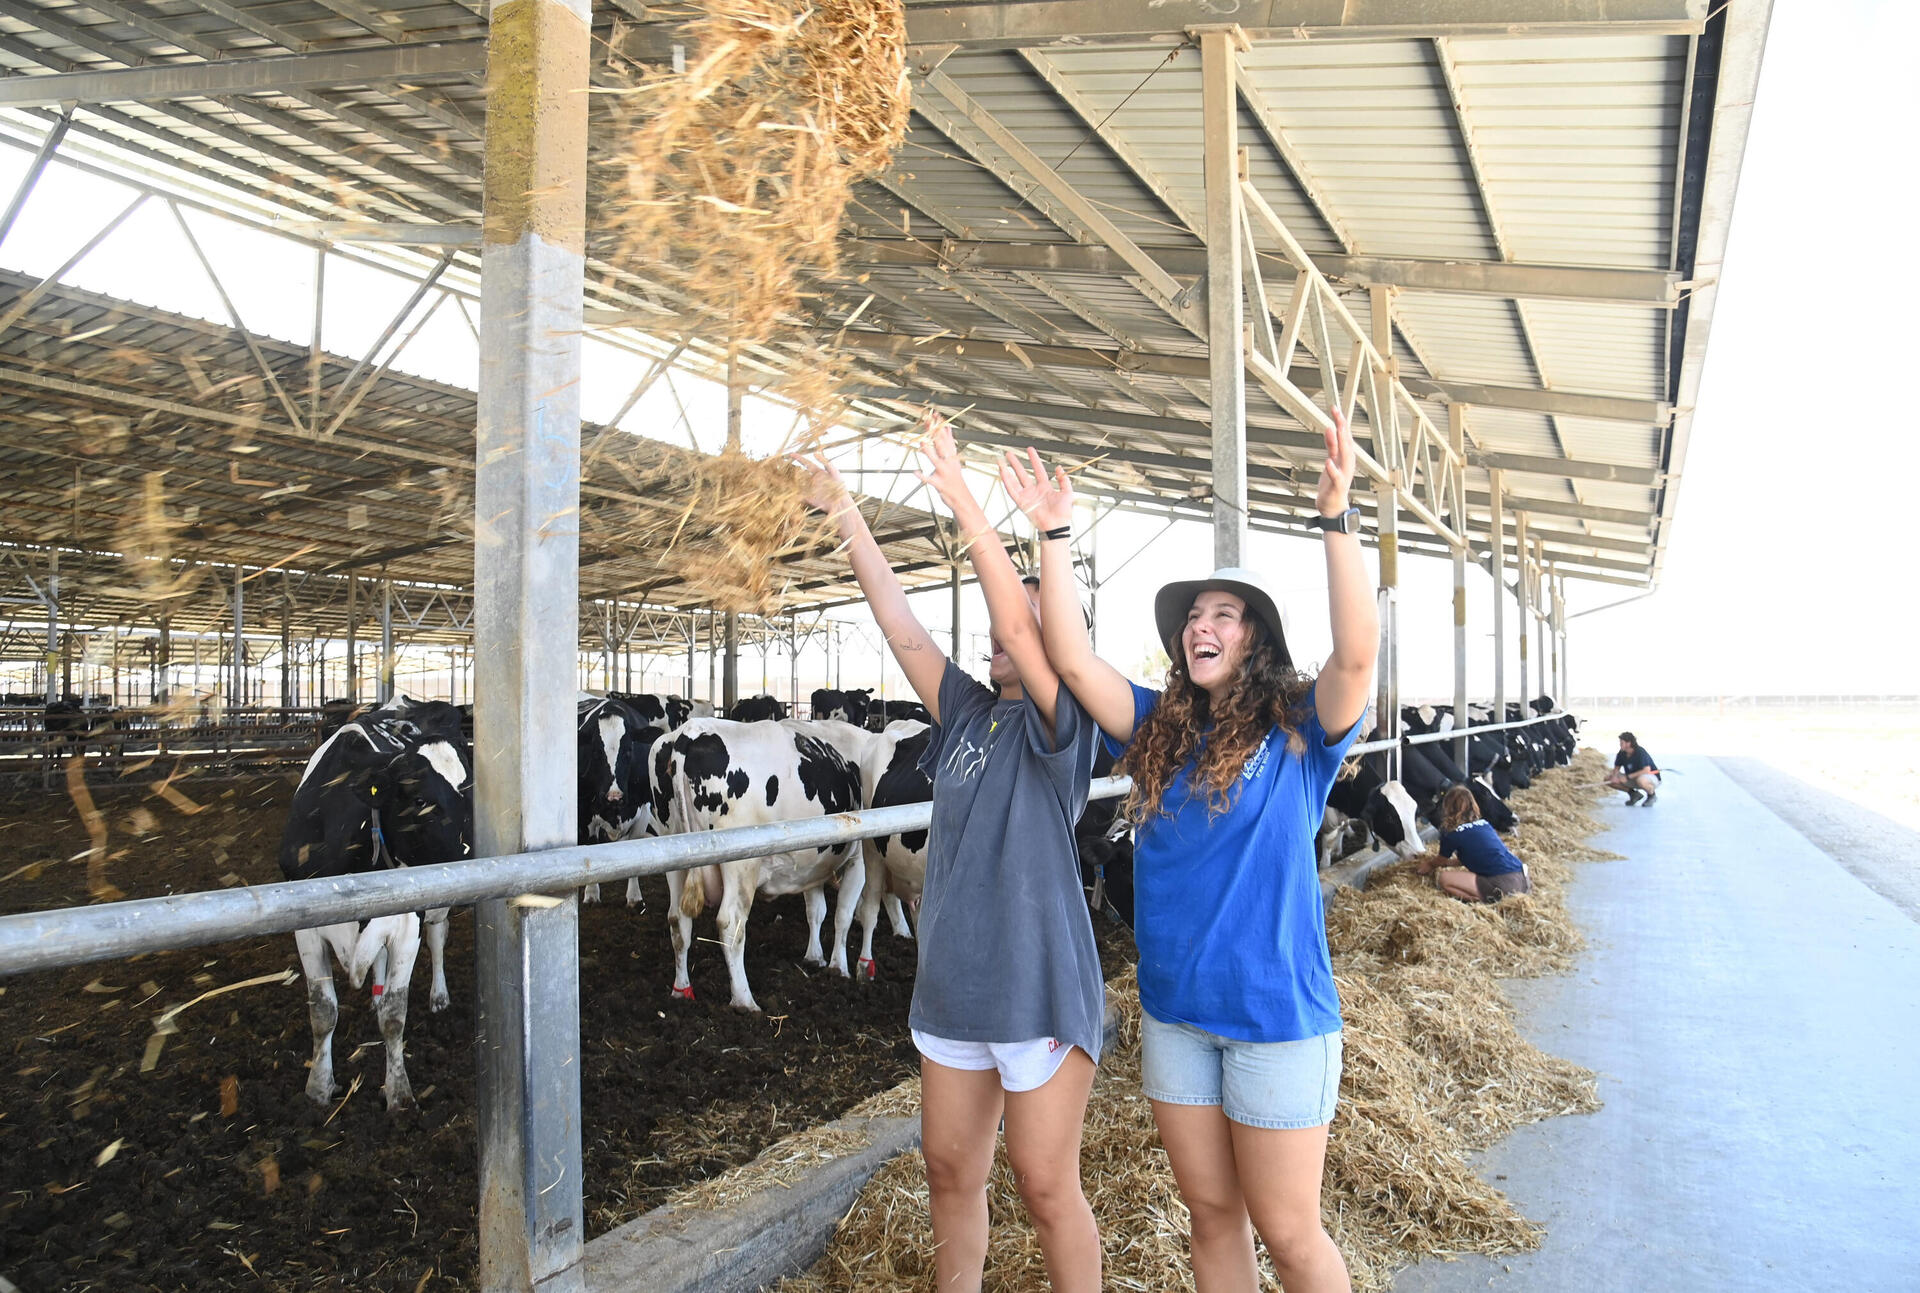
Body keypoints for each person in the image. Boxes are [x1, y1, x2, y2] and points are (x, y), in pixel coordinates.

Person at [1003, 407, 1375, 1293]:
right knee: (1212, 1216)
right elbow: (1069, 655)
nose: (1200, 626)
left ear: (1257, 639)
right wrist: (1055, 534)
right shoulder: (1159, 731)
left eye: (1225, 614)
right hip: (1177, 1018)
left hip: (1276, 1020)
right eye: (1192, 616)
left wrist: (1336, 520)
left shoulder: (1298, 734)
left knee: (1288, 1233)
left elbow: (1357, 658)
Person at [802, 416, 1105, 1293]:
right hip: (957, 983)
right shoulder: (970, 712)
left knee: (1046, 1187)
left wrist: (963, 494)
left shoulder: (1063, 725)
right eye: (1003, 631)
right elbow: (901, 631)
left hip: (1037, 983)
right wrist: (850, 516)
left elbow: (1016, 606)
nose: (998, 635)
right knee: (947, 1173)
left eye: (1022, 628)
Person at [1417, 784, 1531, 903]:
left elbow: (1440, 860)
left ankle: (1484, 901)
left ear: (1447, 808)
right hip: (1523, 879)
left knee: (1444, 878)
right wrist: (1448, 863)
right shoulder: (1484, 824)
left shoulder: (1451, 833)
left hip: (1503, 885)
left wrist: (1429, 864)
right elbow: (1473, 857)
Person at [1607, 731, 1660, 805]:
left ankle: (1652, 795)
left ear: (1629, 743)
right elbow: (1616, 768)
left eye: (1622, 743)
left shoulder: (1640, 752)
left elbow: (1646, 770)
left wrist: (1628, 777)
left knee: (1641, 780)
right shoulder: (1622, 753)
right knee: (1608, 779)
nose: (1620, 744)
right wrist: (1614, 777)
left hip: (1650, 777)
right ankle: (1634, 794)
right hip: (1633, 778)